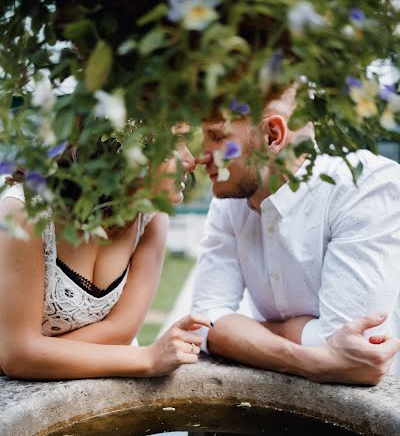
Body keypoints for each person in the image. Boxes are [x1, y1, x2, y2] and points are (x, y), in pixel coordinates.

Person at [192, 84, 400, 385]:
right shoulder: (229, 205)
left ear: (273, 135)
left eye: (217, 137)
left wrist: (245, 331)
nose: (201, 156)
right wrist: (309, 359)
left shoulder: (366, 186)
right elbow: (202, 323)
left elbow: (355, 347)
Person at [0, 135, 211, 380]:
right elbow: (19, 356)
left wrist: (39, 354)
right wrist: (148, 358)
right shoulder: (26, 212)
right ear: (129, 150)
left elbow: (122, 332)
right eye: (175, 145)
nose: (191, 161)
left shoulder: (152, 217)